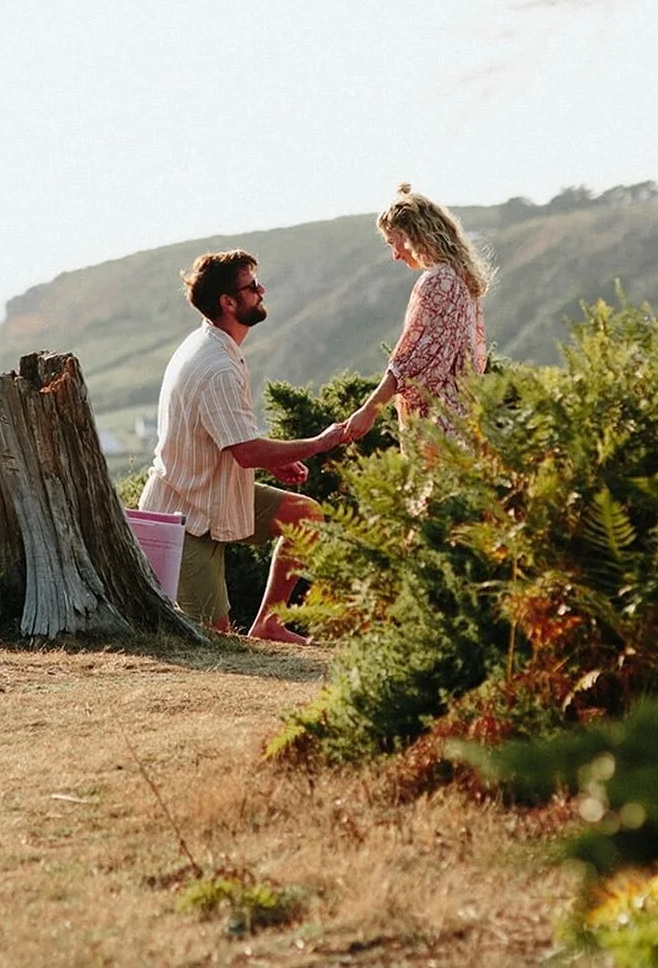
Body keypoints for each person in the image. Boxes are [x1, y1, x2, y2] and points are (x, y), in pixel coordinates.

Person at [137, 249, 345, 643]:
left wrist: (273, 463)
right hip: (186, 519)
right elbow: (246, 451)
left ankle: (269, 624)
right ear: (227, 302)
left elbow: (230, 442)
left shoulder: (213, 346)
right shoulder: (215, 365)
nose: (261, 291)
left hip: (216, 496)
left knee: (304, 515)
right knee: (216, 644)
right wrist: (317, 444)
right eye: (251, 287)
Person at [341, 184, 491, 441]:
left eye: (392, 243)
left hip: (436, 423)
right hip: (461, 417)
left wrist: (368, 410)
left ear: (409, 234)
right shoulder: (459, 280)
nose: (394, 255)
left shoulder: (437, 282)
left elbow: (410, 360)